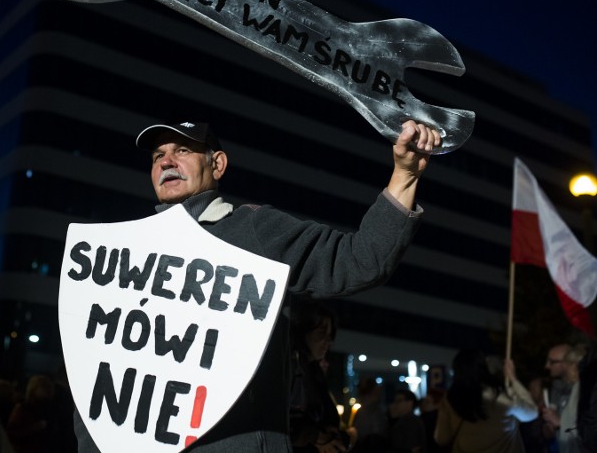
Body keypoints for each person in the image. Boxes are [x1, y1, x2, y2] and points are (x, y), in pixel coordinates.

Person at [73, 119, 440, 452]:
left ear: (217, 164)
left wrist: (404, 175)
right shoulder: (125, 255)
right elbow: (95, 374)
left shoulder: (255, 230)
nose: (166, 162)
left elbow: (359, 261)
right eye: (158, 156)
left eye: (183, 150)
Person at [434, 349, 538, 452]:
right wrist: (512, 377)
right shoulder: (501, 399)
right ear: (483, 368)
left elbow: (441, 439)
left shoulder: (450, 401)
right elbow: (532, 412)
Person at [288, 298, 348, 452]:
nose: (328, 341)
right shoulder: (292, 366)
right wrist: (315, 436)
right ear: (302, 331)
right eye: (321, 333)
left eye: (330, 335)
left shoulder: (313, 369)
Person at [543, 345, 586, 453]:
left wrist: (561, 423)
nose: (547, 366)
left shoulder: (586, 391)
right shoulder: (557, 387)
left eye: (552, 362)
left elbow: (588, 428)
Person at [388, 388, 427, 453]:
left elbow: (412, 447)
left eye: (399, 401)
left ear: (410, 403)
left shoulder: (411, 421)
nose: (395, 404)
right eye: (395, 401)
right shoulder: (405, 419)